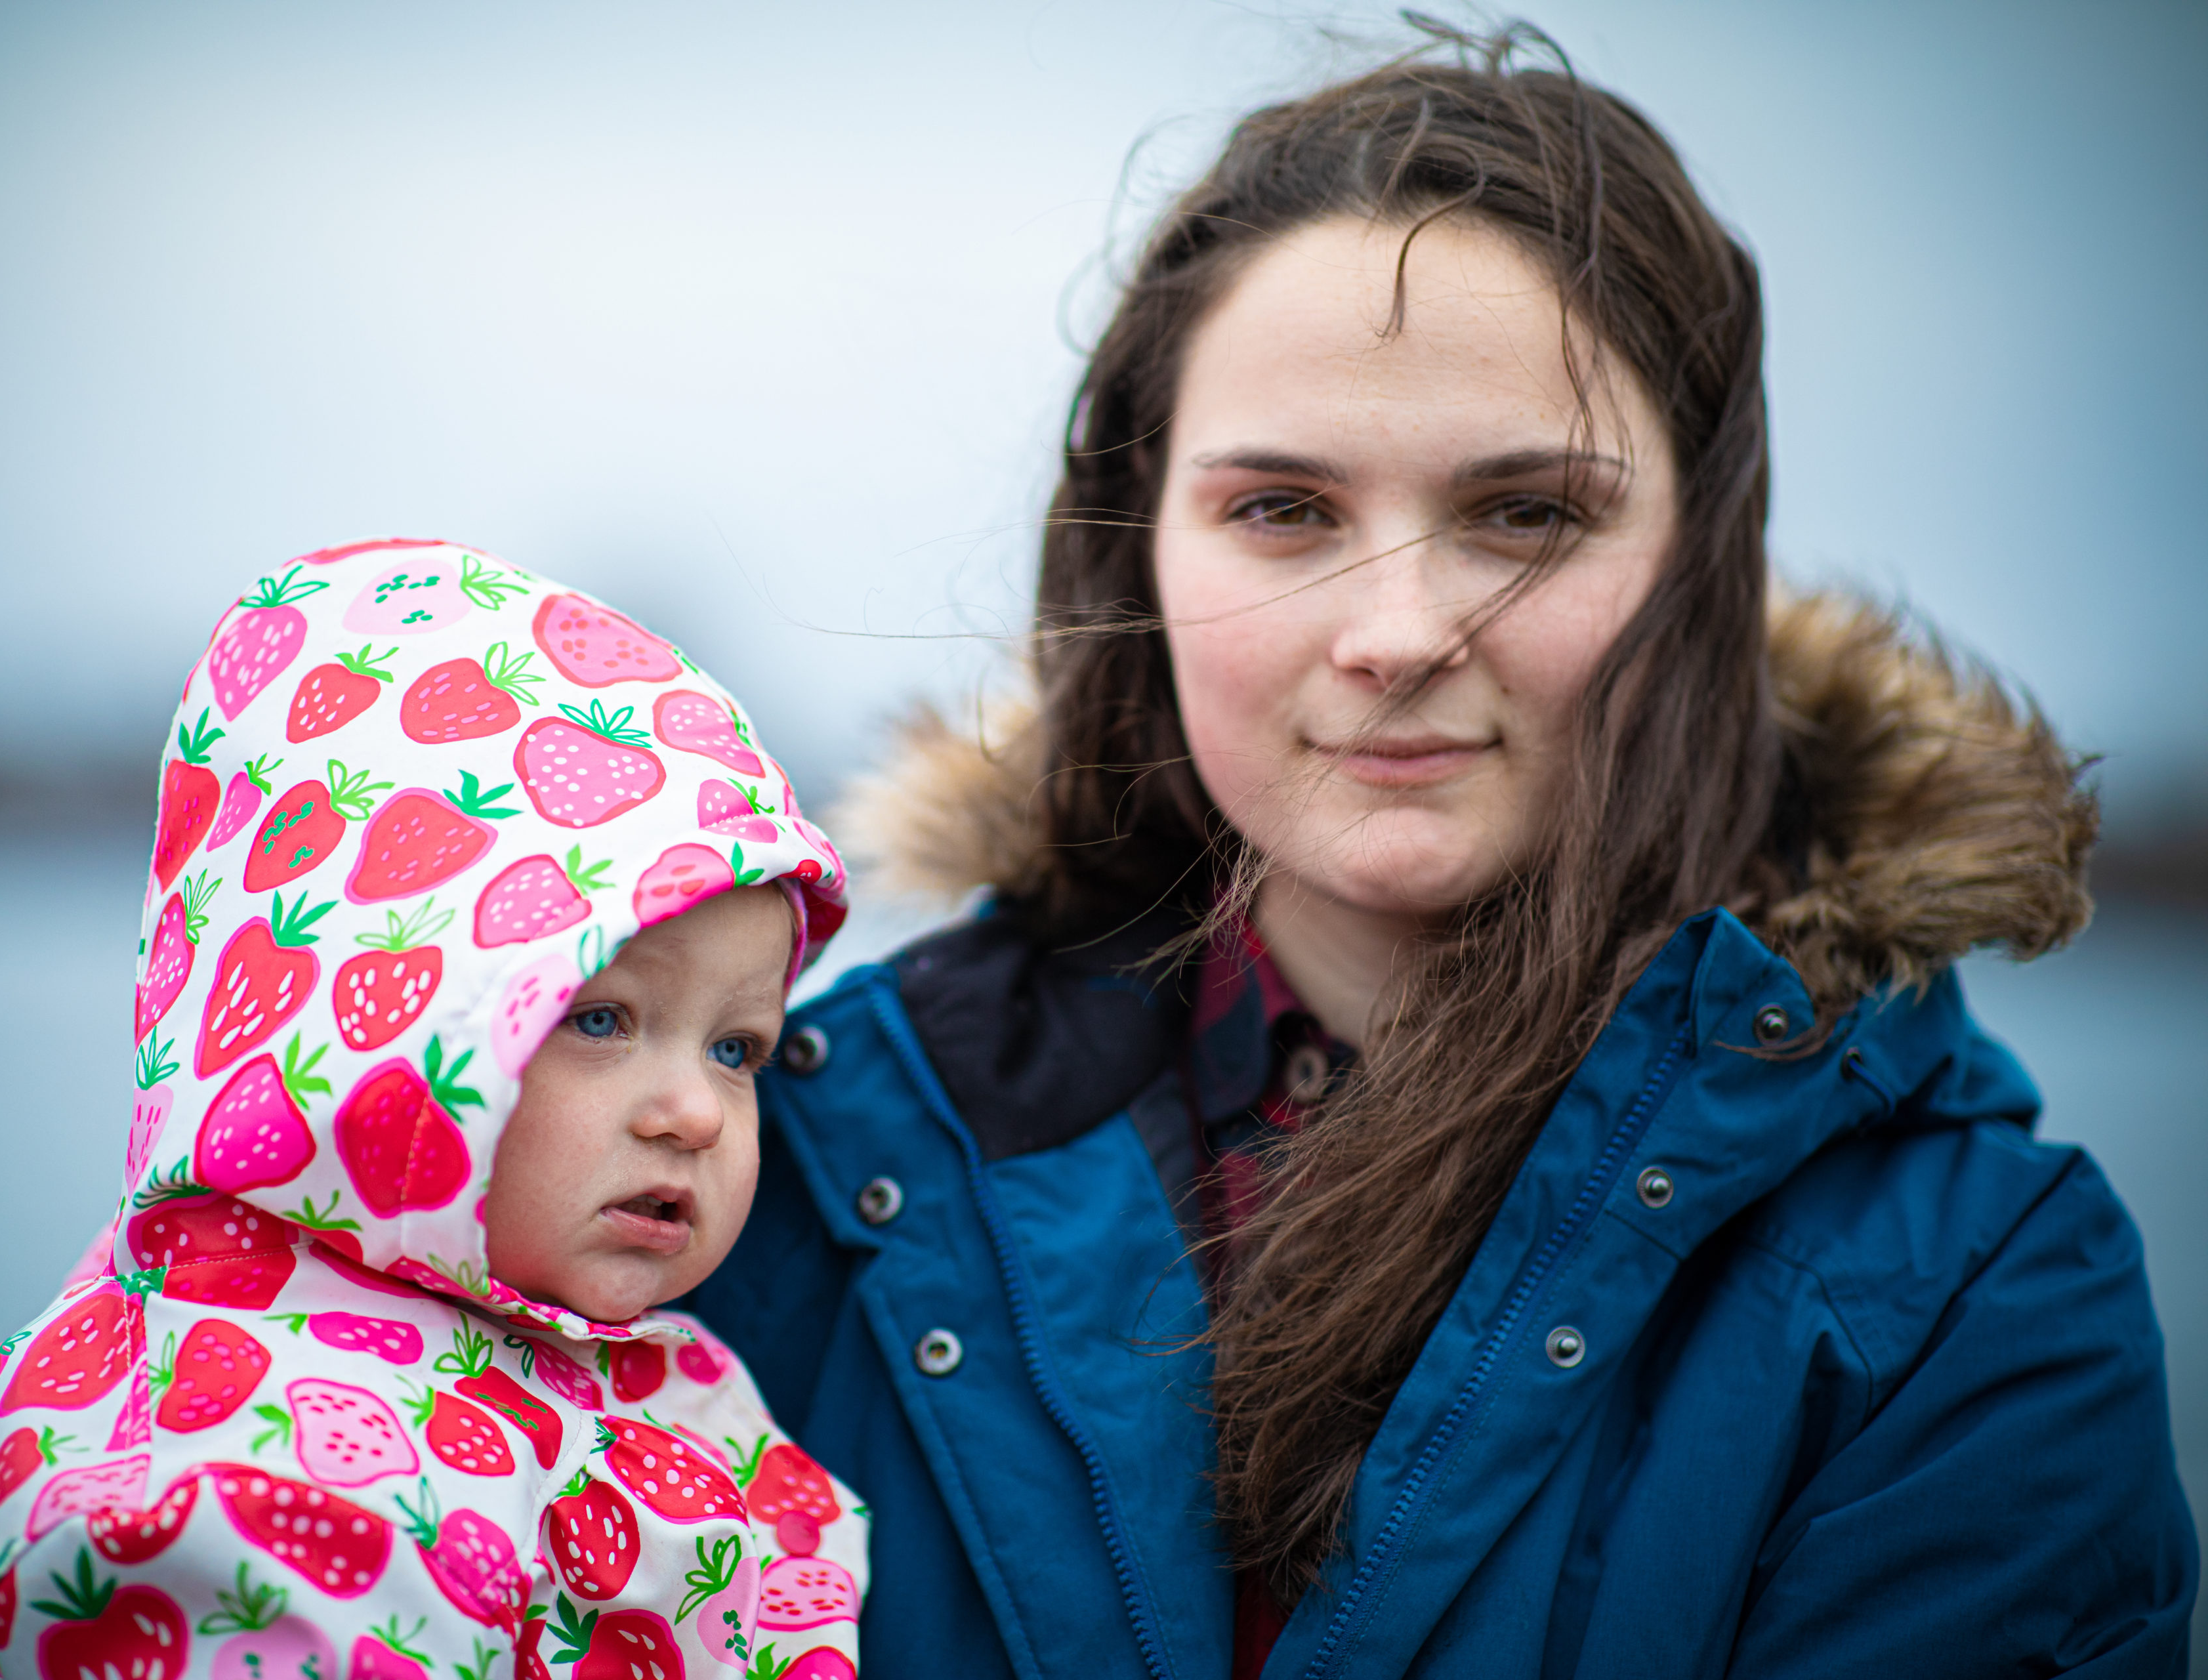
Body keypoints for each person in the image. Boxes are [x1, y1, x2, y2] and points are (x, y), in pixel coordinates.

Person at [688, 26, 2199, 1680]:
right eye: (1284, 510)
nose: (1396, 631)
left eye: (1527, 512)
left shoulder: (1974, 1292)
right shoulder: (792, 1167)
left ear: (1701, 566)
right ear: (1140, 547)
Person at [0, 541, 865, 1680]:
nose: (697, 1111)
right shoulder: (237, 1451)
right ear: (368, 1033)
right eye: (598, 1020)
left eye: (737, 1047)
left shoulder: (604, 1366)